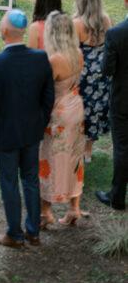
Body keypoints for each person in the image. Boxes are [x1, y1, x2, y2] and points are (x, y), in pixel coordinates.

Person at [0, 10, 54, 248]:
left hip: (6, 134)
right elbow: (48, 97)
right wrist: (39, 122)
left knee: (9, 182)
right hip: (32, 131)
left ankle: (15, 233)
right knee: (31, 180)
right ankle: (33, 231)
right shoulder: (40, 58)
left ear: (4, 33)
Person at [39, 12, 85, 227]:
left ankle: (45, 211)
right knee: (75, 157)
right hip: (76, 106)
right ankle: (74, 207)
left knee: (50, 158)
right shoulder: (78, 53)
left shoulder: (54, 60)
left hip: (59, 112)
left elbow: (45, 91)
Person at [96, 0, 128, 211]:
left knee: (122, 147)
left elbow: (107, 70)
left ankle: (117, 197)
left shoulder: (116, 34)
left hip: (123, 99)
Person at [73, 0, 112, 162]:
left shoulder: (77, 24)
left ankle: (80, 149)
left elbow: (72, 51)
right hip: (102, 74)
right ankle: (88, 151)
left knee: (81, 111)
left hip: (83, 75)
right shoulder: (106, 20)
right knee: (95, 110)